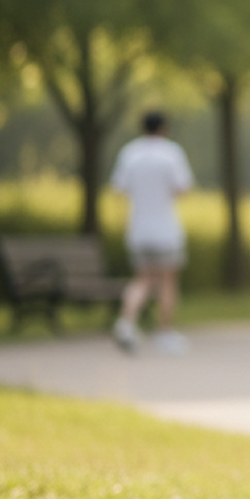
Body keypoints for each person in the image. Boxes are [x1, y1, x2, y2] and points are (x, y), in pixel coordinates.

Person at [109, 111, 194, 355]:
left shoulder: (130, 153)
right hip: (166, 230)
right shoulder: (171, 153)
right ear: (164, 128)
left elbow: (119, 190)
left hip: (138, 230)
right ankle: (164, 333)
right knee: (167, 281)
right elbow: (183, 189)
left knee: (143, 280)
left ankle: (125, 323)